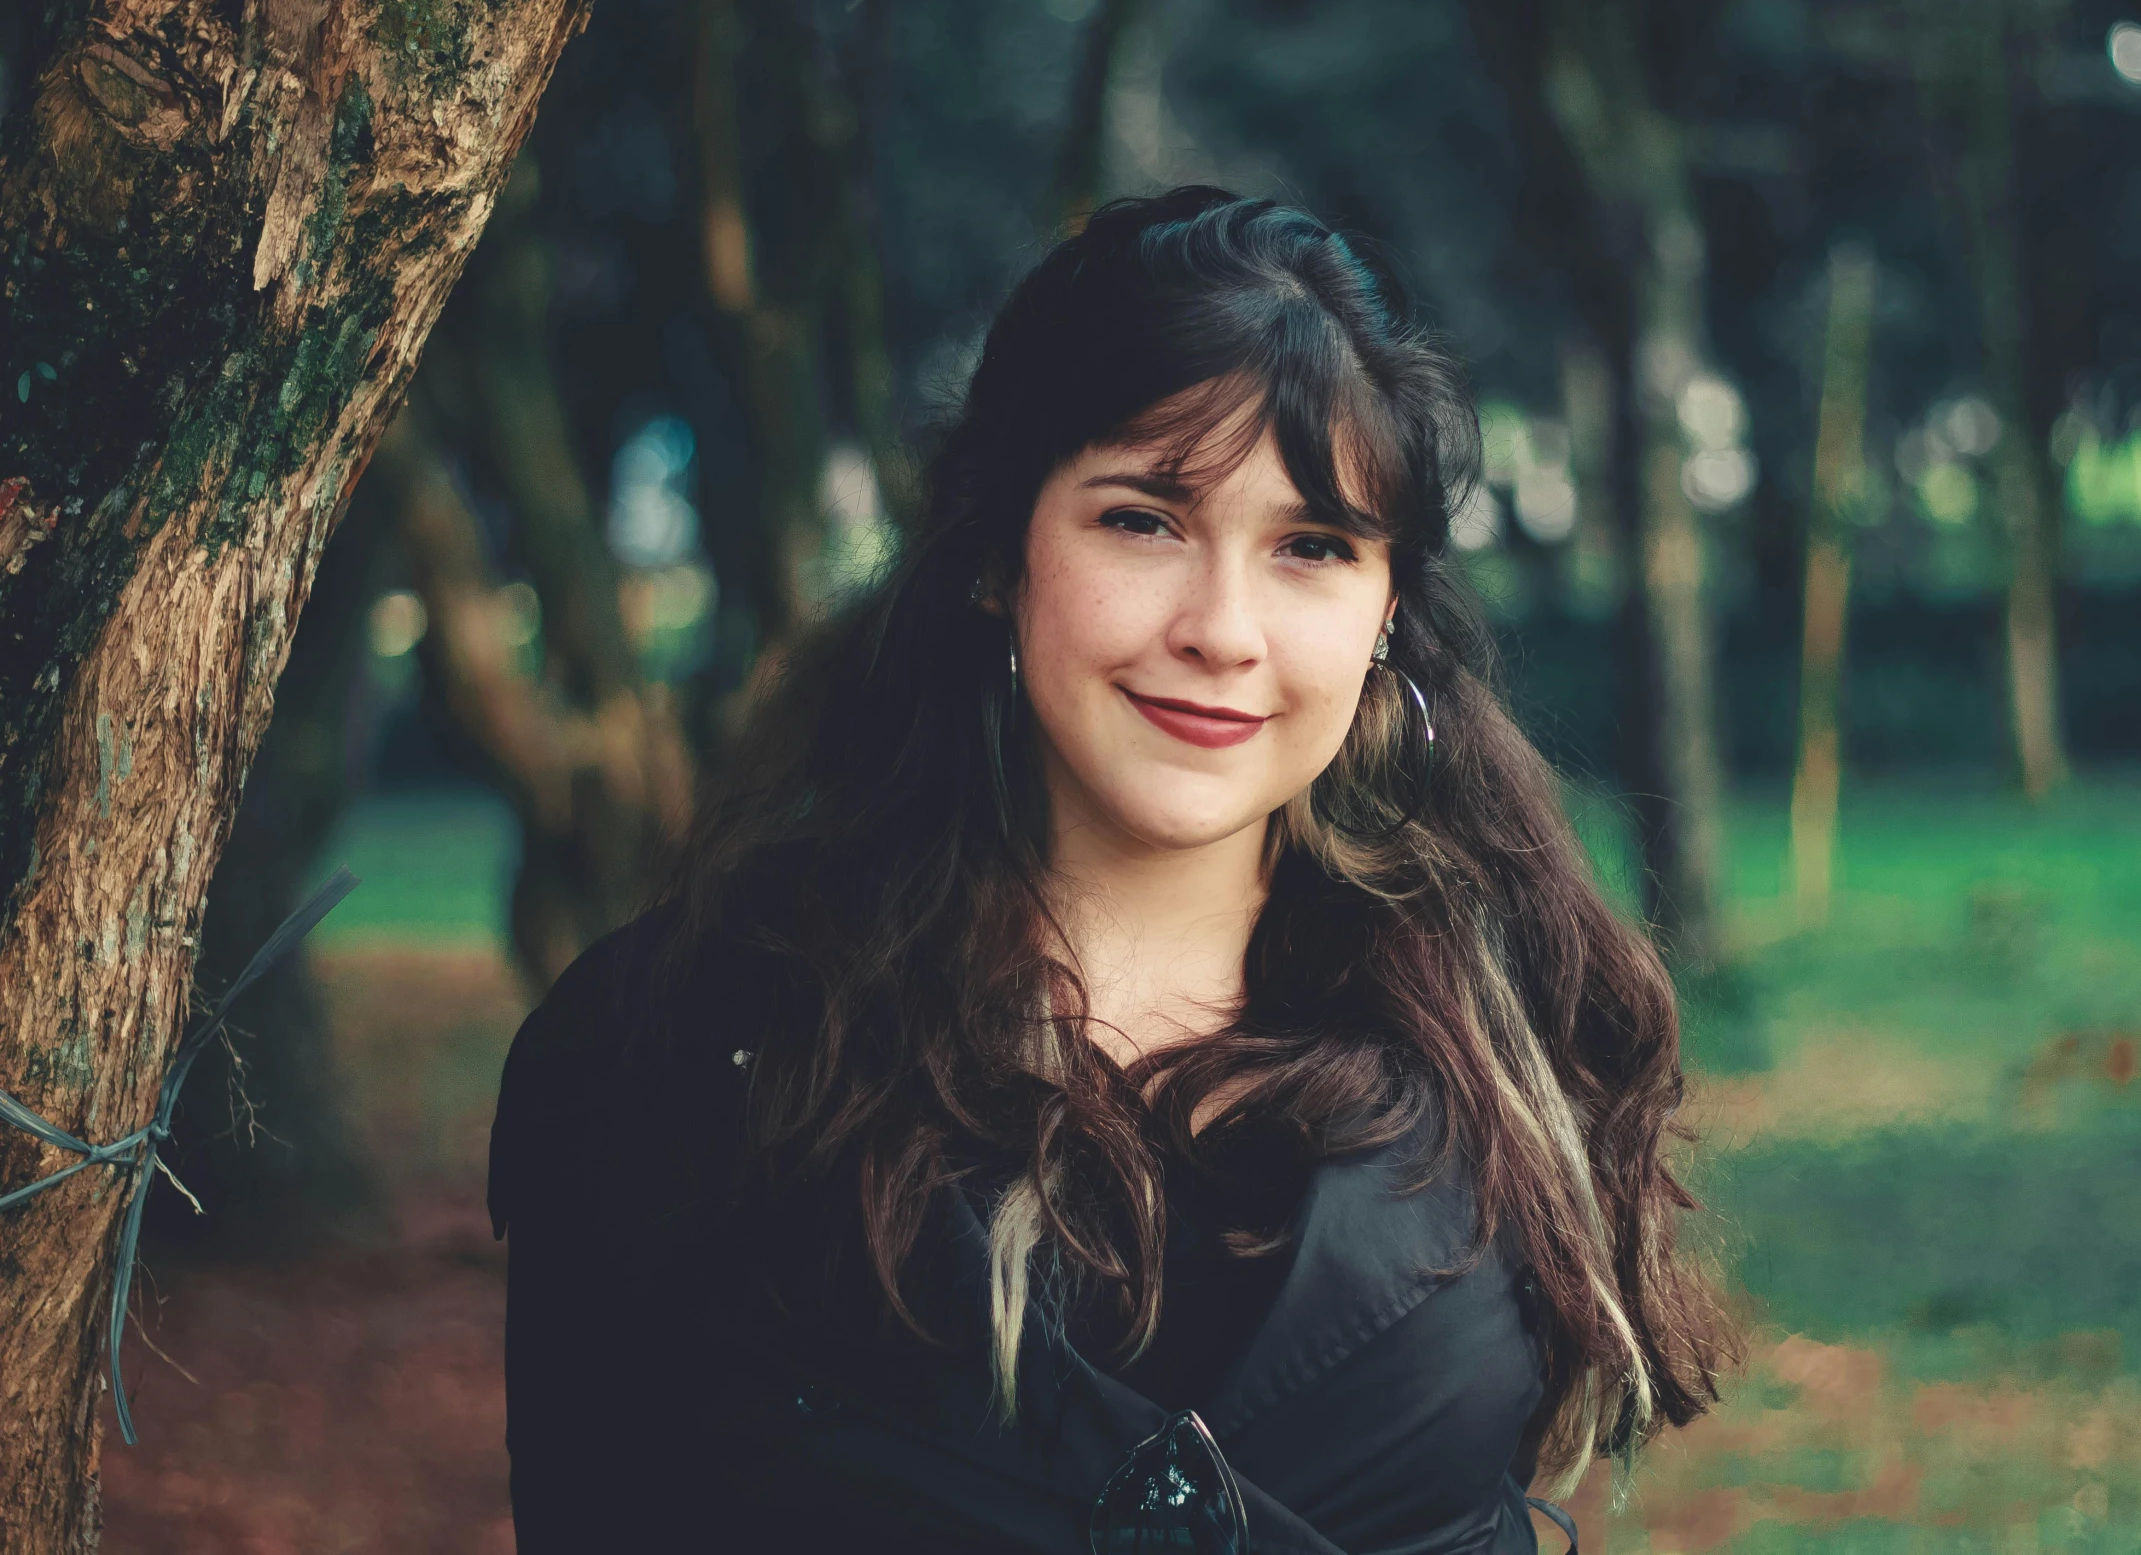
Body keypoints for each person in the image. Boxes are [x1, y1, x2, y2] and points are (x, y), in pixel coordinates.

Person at [488, 187, 1734, 1554]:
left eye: (1311, 547)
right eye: (1143, 520)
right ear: (991, 553)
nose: (1222, 629)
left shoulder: (1512, 1046)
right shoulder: (664, 1048)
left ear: (1387, 614)